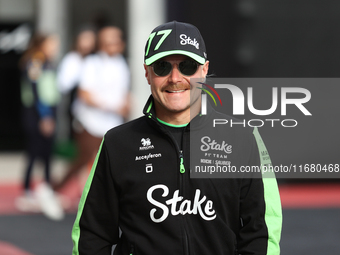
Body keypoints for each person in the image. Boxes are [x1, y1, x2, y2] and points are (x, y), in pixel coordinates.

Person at [71, 21, 282, 254]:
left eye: (187, 66)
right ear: (147, 73)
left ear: (204, 70)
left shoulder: (243, 137)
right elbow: (91, 235)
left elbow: (262, 230)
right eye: (162, 67)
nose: (174, 77)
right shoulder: (117, 143)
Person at [53, 26, 131, 191]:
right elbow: (84, 94)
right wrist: (114, 107)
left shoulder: (122, 64)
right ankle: (55, 190)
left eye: (116, 41)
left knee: (111, 163)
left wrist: (126, 105)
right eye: (109, 41)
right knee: (82, 160)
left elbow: (122, 92)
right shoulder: (92, 63)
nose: (114, 45)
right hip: (90, 122)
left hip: (112, 123)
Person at [16, 33, 64, 220]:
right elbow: (36, 92)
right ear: (42, 44)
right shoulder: (34, 61)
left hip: (49, 112)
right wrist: (44, 116)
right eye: (52, 44)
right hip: (36, 114)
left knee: (47, 153)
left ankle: (46, 189)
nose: (55, 47)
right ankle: (26, 192)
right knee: (34, 152)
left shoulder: (49, 62)